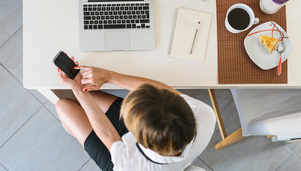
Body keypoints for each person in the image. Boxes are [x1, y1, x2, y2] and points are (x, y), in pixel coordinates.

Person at [55, 60, 216, 171]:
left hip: (121, 160)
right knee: (86, 96)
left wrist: (76, 88)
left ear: (139, 138)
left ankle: (72, 127)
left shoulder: (130, 165)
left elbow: (108, 134)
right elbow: (163, 90)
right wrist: (109, 76)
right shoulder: (204, 115)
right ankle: (74, 124)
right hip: (158, 148)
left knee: (64, 106)